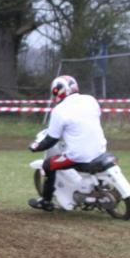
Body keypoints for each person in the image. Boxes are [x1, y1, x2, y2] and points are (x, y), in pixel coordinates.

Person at [28, 75, 108, 211]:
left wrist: (36, 147)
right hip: (100, 150)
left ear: (59, 90)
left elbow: (51, 139)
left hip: (79, 155)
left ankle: (46, 201)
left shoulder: (59, 111)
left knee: (48, 165)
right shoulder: (90, 100)